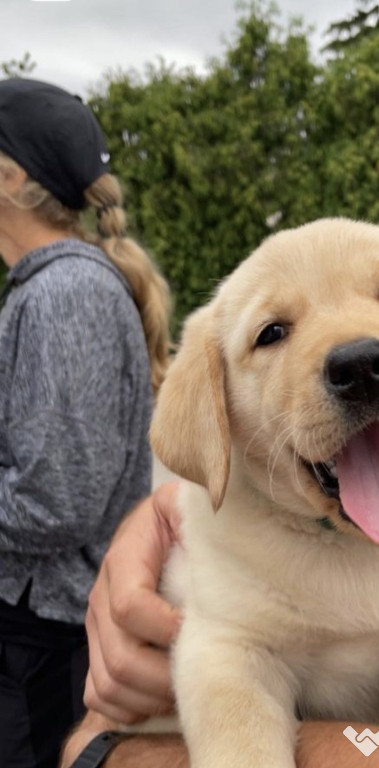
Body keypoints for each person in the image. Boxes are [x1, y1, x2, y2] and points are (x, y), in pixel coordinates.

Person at [61, 0, 379, 764]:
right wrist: (150, 524)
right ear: (218, 406)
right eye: (272, 332)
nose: (356, 352)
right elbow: (225, 654)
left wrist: (104, 755)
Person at [0, 78, 172, 768]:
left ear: (10, 177)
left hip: (47, 644)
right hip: (45, 633)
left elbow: (56, 504)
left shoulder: (65, 294)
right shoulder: (54, 288)